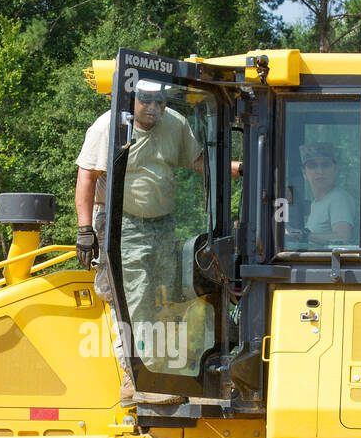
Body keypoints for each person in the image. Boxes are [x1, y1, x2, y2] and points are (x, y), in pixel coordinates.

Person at [75, 78, 239, 402]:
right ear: (131, 99)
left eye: (160, 101)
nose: (154, 108)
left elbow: (197, 162)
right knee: (133, 299)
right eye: (146, 101)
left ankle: (164, 372)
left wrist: (240, 168)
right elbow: (87, 176)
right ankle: (138, 382)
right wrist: (84, 230)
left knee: (162, 298)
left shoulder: (174, 124)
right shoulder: (108, 127)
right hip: (120, 222)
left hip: (162, 224)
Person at [296, 142, 355, 248]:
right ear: (304, 172)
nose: (320, 171)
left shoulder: (338, 199)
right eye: (313, 165)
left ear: (335, 169)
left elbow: (342, 238)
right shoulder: (316, 203)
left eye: (325, 165)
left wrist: (305, 235)